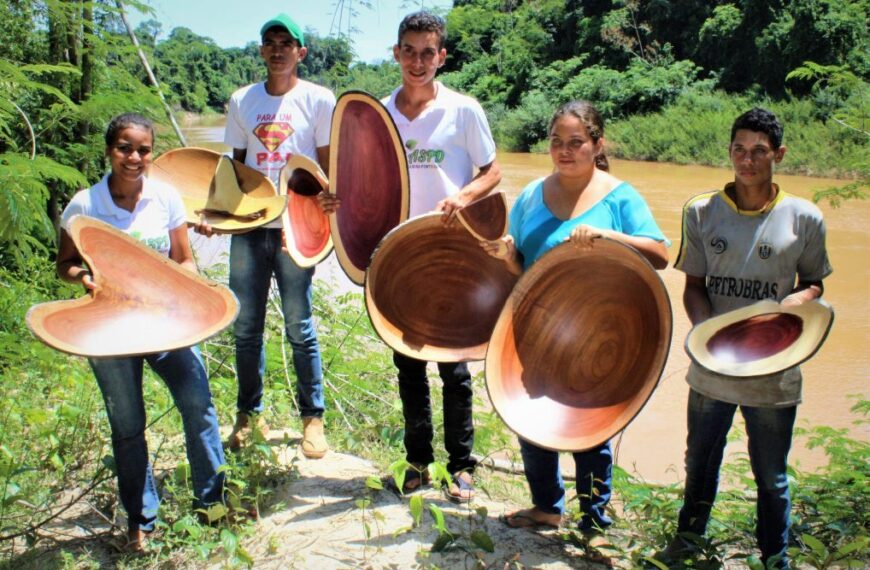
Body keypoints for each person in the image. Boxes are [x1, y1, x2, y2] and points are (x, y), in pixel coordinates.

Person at [322, 11, 501, 501]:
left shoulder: (464, 110)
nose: (418, 61)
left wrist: (463, 198)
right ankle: (419, 463)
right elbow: (356, 185)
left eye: (428, 52)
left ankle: (462, 466)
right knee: (408, 365)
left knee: (455, 367)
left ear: (441, 57)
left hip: (451, 253)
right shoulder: (375, 116)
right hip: (396, 256)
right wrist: (337, 203)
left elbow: (492, 172)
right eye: (409, 50)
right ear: (396, 54)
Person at [481, 101, 668, 539]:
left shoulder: (619, 196)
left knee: (589, 424)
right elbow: (523, 266)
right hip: (537, 324)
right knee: (531, 417)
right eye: (556, 142)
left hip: (597, 330)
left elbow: (659, 254)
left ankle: (594, 518)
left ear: (597, 144)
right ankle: (547, 506)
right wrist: (508, 256)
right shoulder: (530, 196)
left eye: (576, 143)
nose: (564, 151)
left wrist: (609, 235)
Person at [655, 108, 832, 568]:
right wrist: (705, 334)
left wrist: (801, 299)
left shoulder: (805, 217)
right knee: (700, 466)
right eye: (738, 149)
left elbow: (815, 282)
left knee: (771, 479)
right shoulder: (701, 211)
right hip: (712, 370)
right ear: (729, 151)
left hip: (773, 373)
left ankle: (775, 558)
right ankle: (688, 545)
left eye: (758, 151)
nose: (746, 160)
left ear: (779, 154)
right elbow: (693, 285)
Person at [56, 113, 226, 552]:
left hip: (166, 322)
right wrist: (85, 279)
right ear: (110, 150)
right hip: (110, 329)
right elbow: (66, 266)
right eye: (125, 148)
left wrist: (184, 286)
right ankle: (141, 519)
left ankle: (212, 506)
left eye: (143, 149)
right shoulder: (85, 206)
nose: (134, 157)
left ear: (152, 152)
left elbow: (183, 258)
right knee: (128, 425)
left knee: (198, 405)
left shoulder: (165, 197)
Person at [199, 13, 336, 458]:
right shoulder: (242, 100)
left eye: (286, 43)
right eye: (269, 42)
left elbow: (326, 167)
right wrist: (215, 214)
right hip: (251, 226)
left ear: (301, 52)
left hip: (296, 226)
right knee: (245, 327)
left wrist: (332, 208)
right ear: (261, 50)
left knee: (300, 325)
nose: (277, 49)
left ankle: (312, 419)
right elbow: (232, 169)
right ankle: (247, 415)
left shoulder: (318, 100)